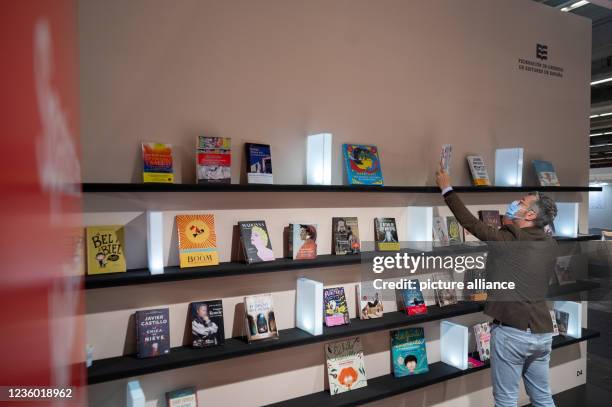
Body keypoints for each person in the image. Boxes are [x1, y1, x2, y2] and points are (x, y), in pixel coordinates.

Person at [436, 166, 558, 407]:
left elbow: (471, 223)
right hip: (542, 333)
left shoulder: (509, 240)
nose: (515, 202)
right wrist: (510, 222)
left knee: (505, 400)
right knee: (543, 397)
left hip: (512, 333)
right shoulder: (551, 243)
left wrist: (446, 188)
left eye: (522, 202)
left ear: (531, 215)